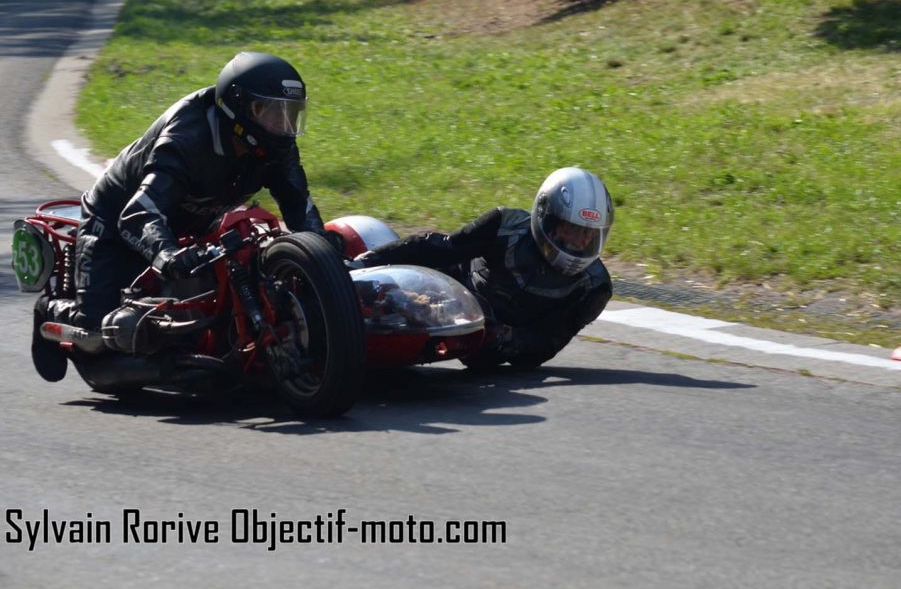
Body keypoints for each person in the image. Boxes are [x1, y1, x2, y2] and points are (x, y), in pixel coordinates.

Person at [33, 51, 333, 381]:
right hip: (115, 221)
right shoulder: (186, 138)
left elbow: (300, 208)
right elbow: (136, 213)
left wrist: (325, 255)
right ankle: (49, 311)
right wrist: (166, 254)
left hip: (194, 225)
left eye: (290, 114)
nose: (283, 126)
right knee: (94, 335)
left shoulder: (278, 147)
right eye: (272, 113)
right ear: (239, 109)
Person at [354, 167, 614, 369]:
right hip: (450, 291)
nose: (580, 243)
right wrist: (367, 261)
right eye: (572, 230)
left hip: (492, 342)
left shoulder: (593, 286)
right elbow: (439, 247)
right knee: (387, 285)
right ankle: (351, 280)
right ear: (547, 217)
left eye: (588, 235)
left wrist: (505, 338)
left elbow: (547, 342)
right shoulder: (504, 226)